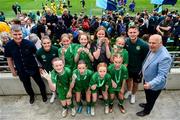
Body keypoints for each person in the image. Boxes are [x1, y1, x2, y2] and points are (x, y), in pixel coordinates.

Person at [4, 25, 47, 104]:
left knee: (40, 83)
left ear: (22, 34)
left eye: (20, 34)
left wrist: (40, 67)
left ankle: (44, 95)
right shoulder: (8, 46)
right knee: (27, 85)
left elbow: (36, 56)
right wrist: (13, 70)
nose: (18, 36)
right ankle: (31, 96)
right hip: (21, 70)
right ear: (11, 34)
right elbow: (9, 59)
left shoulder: (29, 43)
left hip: (33, 68)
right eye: (15, 34)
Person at [136, 34, 172, 117]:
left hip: (154, 85)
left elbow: (162, 76)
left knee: (151, 99)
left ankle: (147, 111)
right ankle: (147, 104)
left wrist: (150, 84)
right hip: (147, 80)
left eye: (154, 43)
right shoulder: (152, 48)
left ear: (161, 43)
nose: (151, 45)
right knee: (148, 96)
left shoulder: (165, 57)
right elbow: (147, 61)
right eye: (150, 42)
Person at [124, 25, 149, 104]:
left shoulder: (143, 45)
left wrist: (142, 68)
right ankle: (129, 91)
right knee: (128, 80)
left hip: (138, 68)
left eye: (134, 32)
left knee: (135, 83)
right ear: (128, 33)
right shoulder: (126, 42)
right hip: (128, 67)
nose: (132, 34)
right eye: (130, 32)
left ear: (138, 33)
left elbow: (146, 58)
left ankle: (133, 95)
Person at [36, 36, 58, 103]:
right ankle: (54, 94)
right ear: (41, 44)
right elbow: (39, 62)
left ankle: (60, 93)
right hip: (47, 70)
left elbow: (59, 59)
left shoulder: (56, 49)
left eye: (48, 43)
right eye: (44, 43)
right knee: (50, 83)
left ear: (51, 43)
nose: (47, 44)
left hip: (57, 69)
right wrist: (40, 69)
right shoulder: (39, 52)